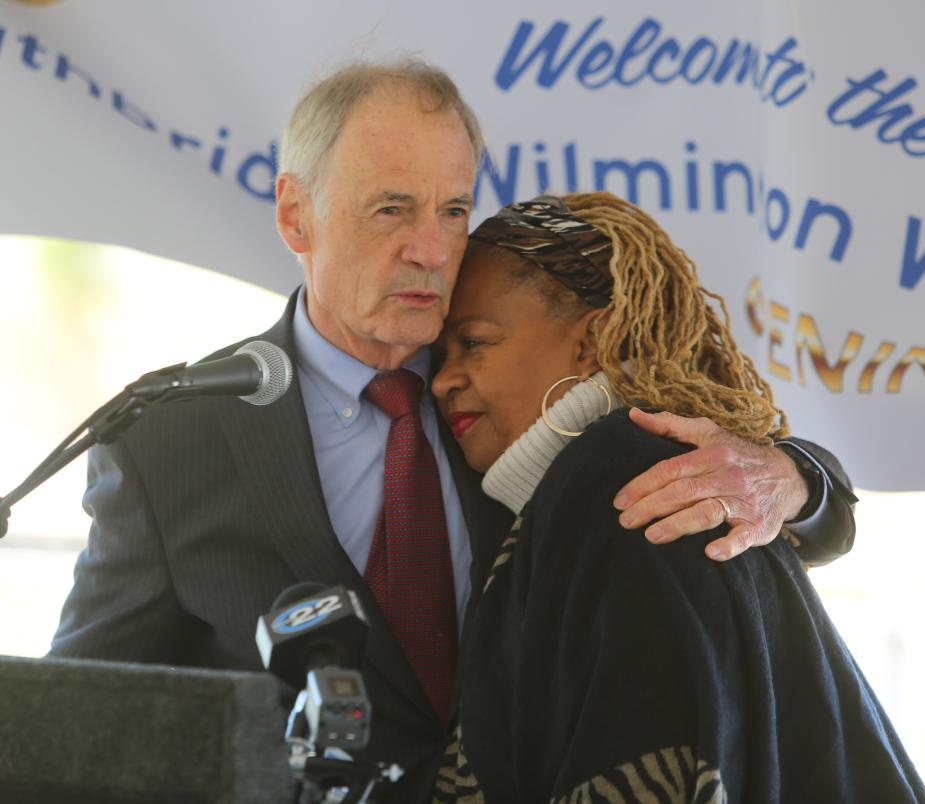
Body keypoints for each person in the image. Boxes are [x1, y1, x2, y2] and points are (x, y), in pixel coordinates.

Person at [50, 61, 856, 801]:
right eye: (392, 208)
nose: (432, 249)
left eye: (454, 209)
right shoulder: (168, 440)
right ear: (298, 215)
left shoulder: (518, 384)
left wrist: (789, 478)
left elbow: (721, 471)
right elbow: (75, 728)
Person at [429, 192, 925, 803]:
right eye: (440, 353)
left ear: (592, 342)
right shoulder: (587, 482)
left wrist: (798, 479)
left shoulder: (628, 484)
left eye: (474, 342)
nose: (441, 379)